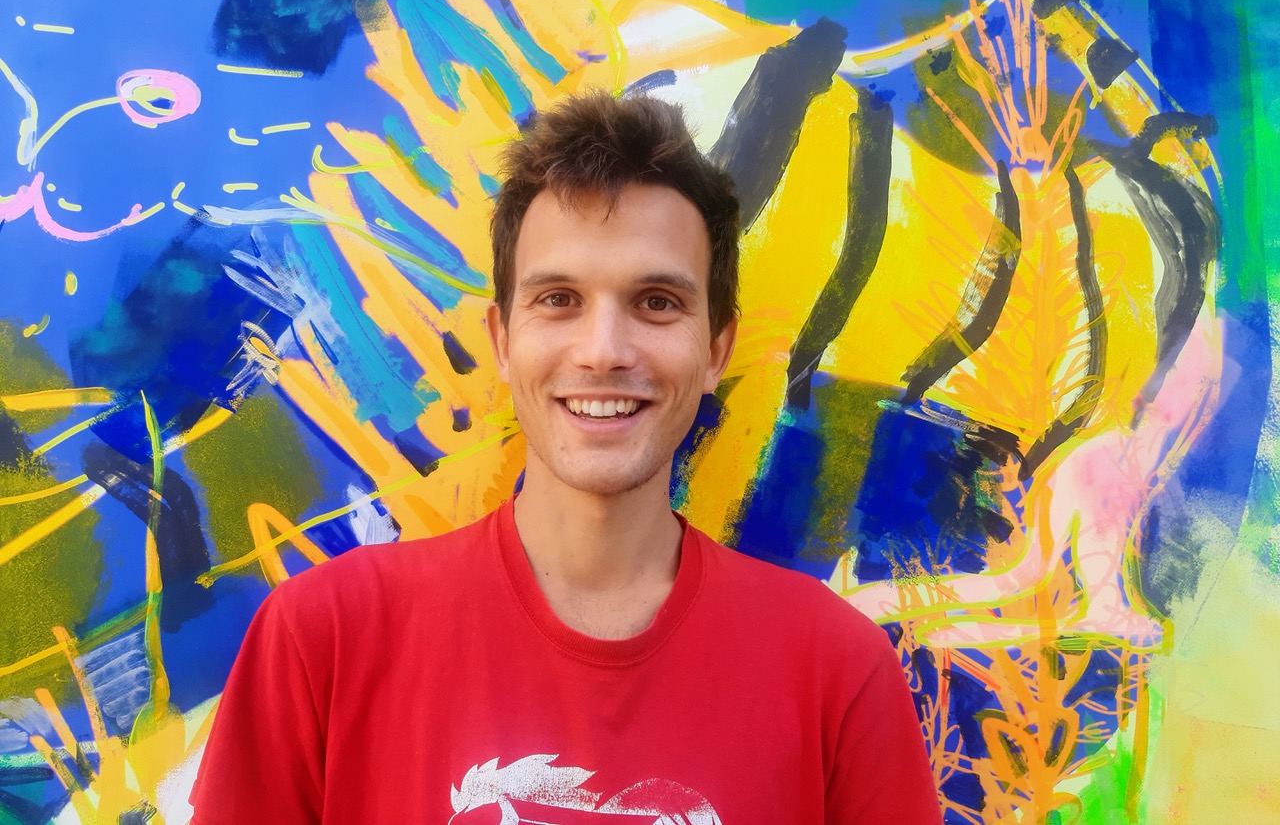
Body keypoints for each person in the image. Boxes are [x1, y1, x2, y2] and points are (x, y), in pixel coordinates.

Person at [190, 92, 942, 824]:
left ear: (716, 350)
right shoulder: (321, 643)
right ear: (502, 341)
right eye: (558, 299)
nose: (603, 352)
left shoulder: (837, 673)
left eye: (656, 302)